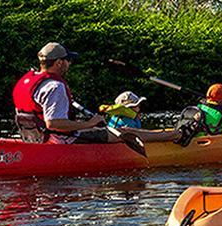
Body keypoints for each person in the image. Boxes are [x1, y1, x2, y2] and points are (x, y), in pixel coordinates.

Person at [11, 42, 144, 151]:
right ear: (59, 63)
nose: (69, 64)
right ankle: (164, 136)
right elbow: (54, 124)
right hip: (58, 140)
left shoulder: (28, 81)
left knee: (102, 129)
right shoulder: (55, 87)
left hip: (35, 139)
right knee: (121, 132)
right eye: (68, 60)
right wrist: (89, 124)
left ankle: (164, 134)